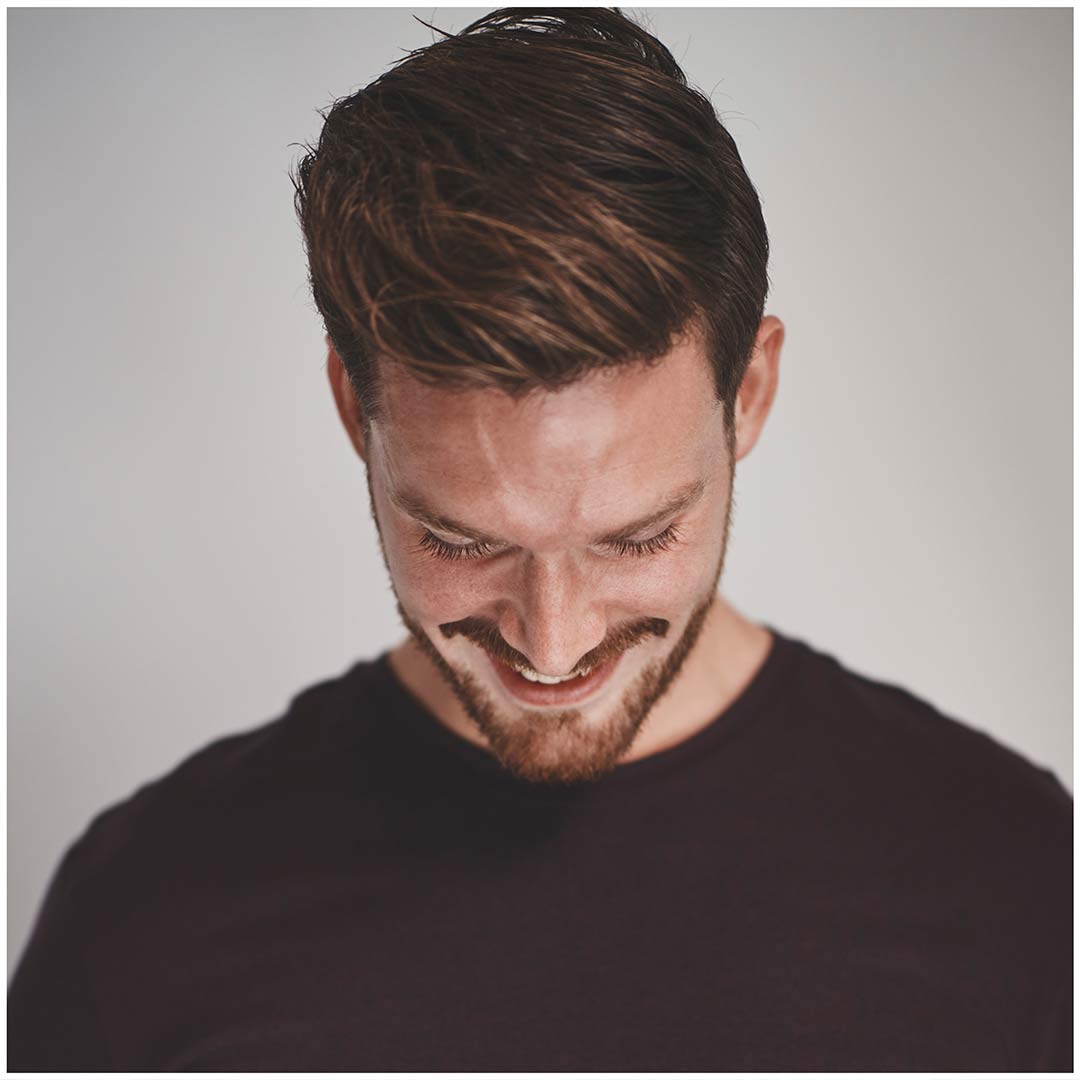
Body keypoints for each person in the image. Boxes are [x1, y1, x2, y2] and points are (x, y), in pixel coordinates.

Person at [8, 8, 1070, 1072]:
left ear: (748, 393)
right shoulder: (145, 915)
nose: (552, 646)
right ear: (353, 411)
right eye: (463, 543)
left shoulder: (1016, 880)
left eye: (637, 538)